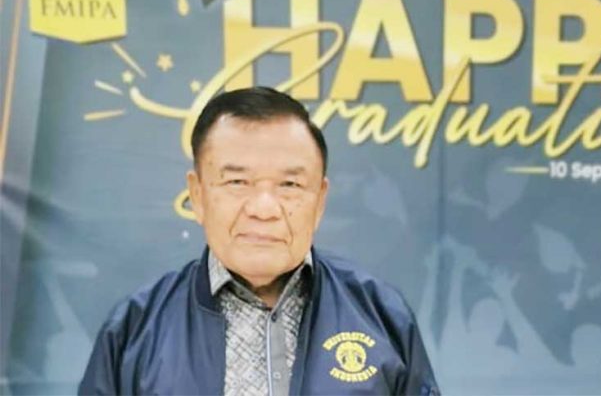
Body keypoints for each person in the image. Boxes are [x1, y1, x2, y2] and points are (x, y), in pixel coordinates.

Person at [78, 87, 439, 395]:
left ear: (319, 201)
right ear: (197, 195)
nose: (264, 209)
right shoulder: (134, 331)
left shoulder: (380, 316)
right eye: (237, 182)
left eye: (290, 185)